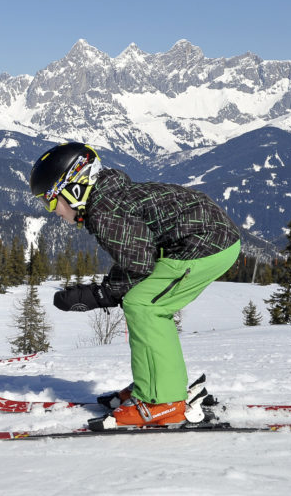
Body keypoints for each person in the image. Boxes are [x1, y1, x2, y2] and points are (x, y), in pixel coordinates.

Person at [29, 142, 241, 429]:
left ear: (75, 189)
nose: (53, 211)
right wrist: (104, 292)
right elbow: (136, 255)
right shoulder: (107, 200)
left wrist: (101, 294)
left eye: (51, 201)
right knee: (144, 302)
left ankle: (162, 400)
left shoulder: (104, 212)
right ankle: (154, 384)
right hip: (207, 240)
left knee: (143, 305)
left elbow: (139, 263)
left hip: (205, 245)